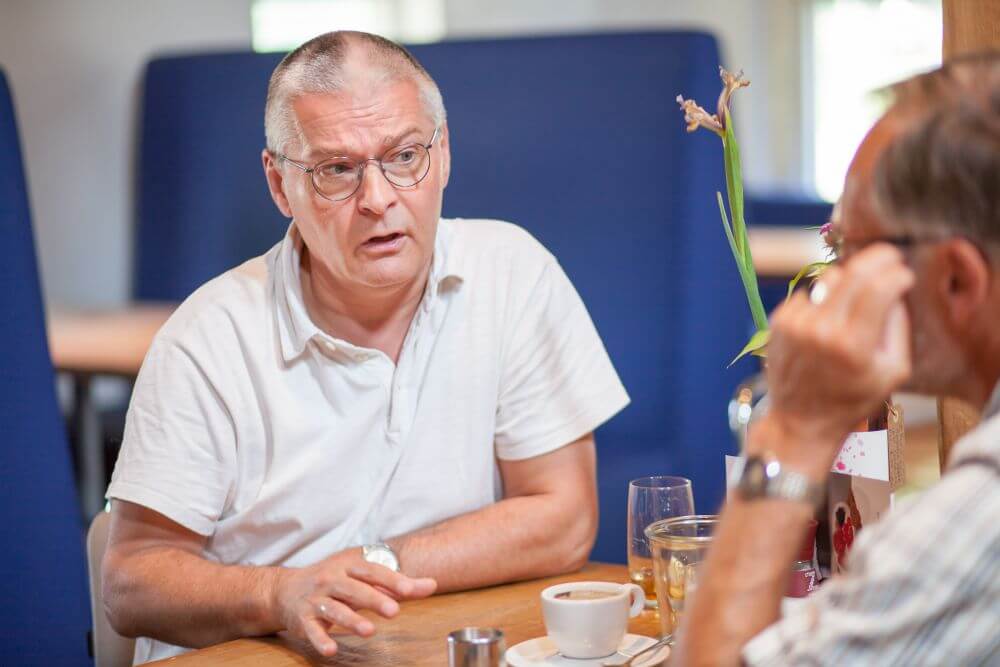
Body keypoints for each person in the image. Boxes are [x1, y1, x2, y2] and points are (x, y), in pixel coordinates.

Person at [102, 31, 629, 663]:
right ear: (278, 185)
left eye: (405, 156)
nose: (378, 200)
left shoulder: (512, 272)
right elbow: (130, 583)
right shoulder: (208, 336)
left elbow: (564, 516)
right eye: (336, 170)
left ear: (445, 154)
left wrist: (371, 565)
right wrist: (280, 593)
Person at [676, 53, 1000, 665]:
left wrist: (794, 432)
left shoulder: (975, 521)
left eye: (853, 247)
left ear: (957, 278)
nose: (834, 280)